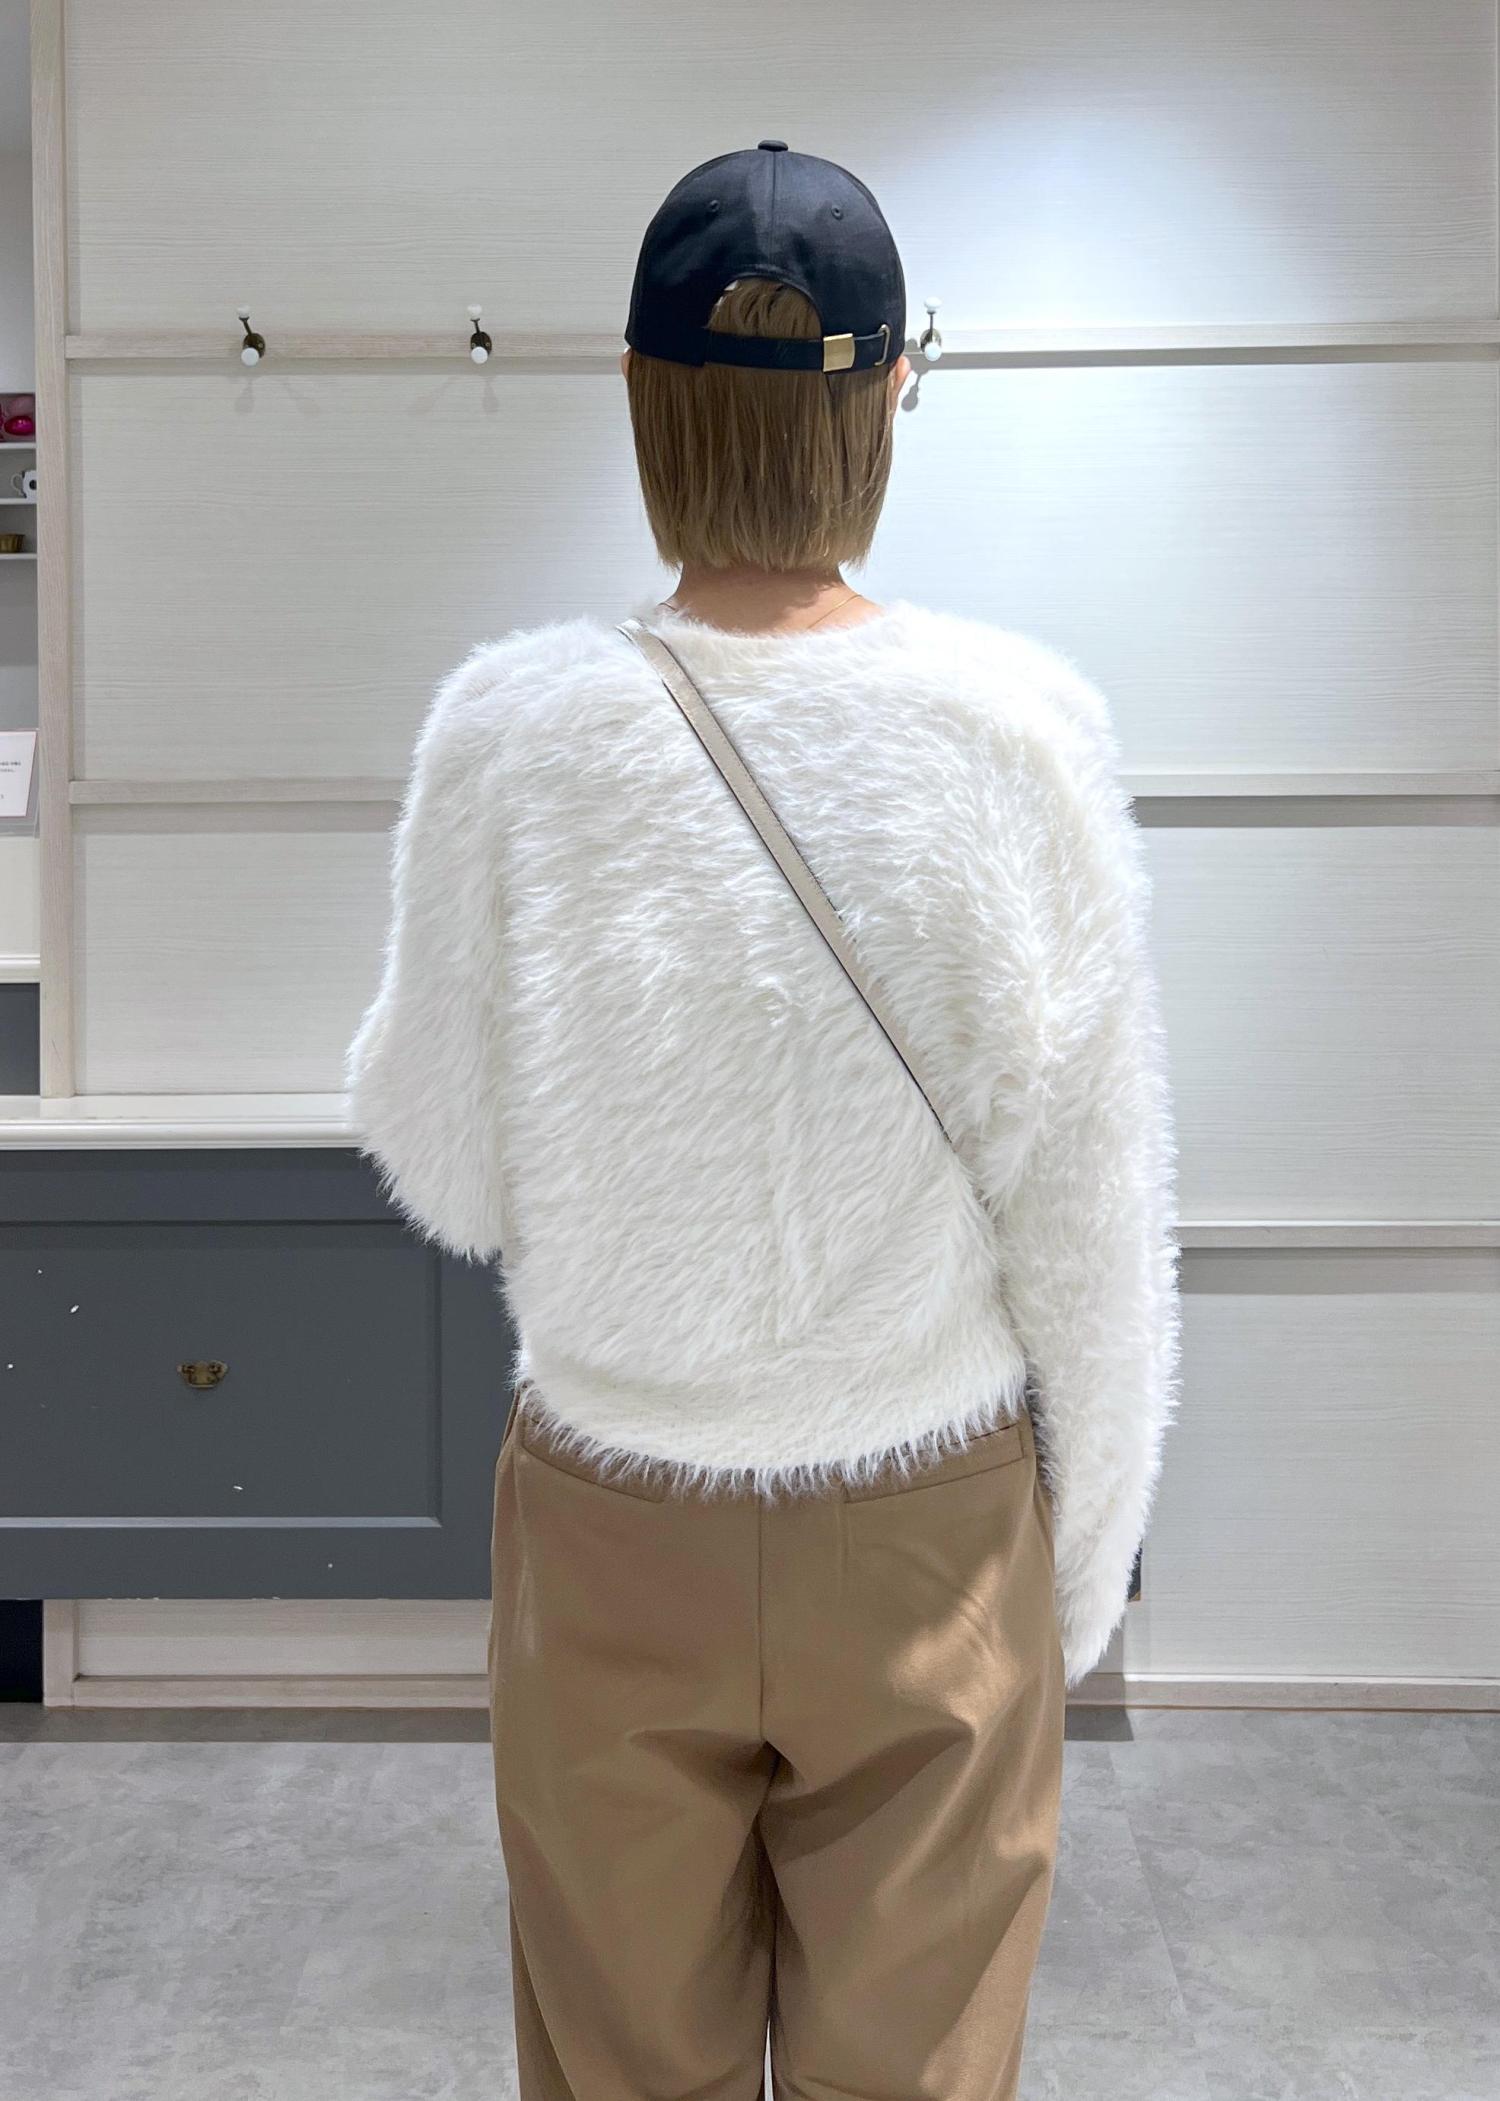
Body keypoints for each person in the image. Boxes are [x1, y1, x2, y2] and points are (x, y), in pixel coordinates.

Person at [345, 140, 1180, 2101]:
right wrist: (1066, 1581)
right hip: (927, 1516)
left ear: (644, 392)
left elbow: (441, 1164)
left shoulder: (510, 739)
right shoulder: (1017, 734)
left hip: (617, 1506)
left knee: (625, 2069)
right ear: (892, 395)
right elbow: (1096, 1228)